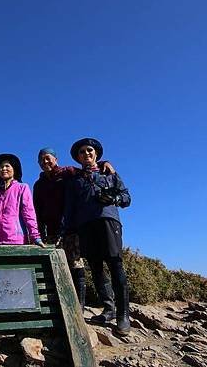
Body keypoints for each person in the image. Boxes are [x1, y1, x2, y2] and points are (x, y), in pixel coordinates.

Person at [63, 138, 132, 335]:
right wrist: (68, 230)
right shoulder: (74, 180)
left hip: (108, 222)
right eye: (82, 152)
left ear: (96, 154)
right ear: (78, 157)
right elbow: (70, 208)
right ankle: (109, 309)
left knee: (115, 264)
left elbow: (127, 197)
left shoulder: (110, 173)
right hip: (85, 226)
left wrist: (115, 198)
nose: (86, 154)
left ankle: (123, 315)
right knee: (95, 268)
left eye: (89, 150)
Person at [33, 147, 115, 310]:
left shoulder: (68, 172)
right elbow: (37, 210)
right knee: (55, 267)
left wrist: (103, 163)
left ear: (56, 159)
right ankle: (61, 304)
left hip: (72, 227)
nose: (45, 161)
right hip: (51, 231)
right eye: (42, 159)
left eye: (48, 158)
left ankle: (80, 306)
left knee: (76, 264)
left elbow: (89, 168)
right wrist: (40, 233)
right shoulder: (39, 184)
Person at [0, 153, 44, 247]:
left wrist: (35, 237)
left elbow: (29, 214)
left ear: (14, 169)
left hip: (16, 241)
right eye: (1, 167)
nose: (4, 169)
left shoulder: (22, 188)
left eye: (7, 166)